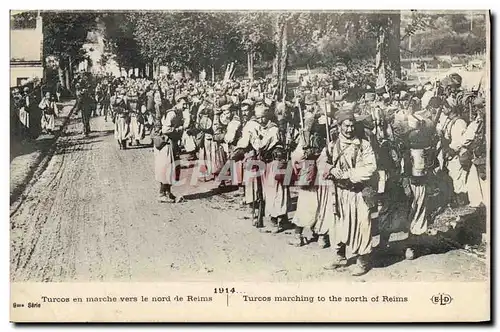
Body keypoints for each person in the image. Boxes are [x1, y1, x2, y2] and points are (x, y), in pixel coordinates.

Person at [319, 111, 377, 276]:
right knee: (338, 224)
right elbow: (321, 161)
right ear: (339, 126)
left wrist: (348, 174)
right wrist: (331, 168)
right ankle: (340, 256)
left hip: (358, 192)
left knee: (362, 225)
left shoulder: (363, 144)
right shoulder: (332, 145)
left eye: (352, 126)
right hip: (339, 193)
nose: (350, 129)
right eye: (346, 126)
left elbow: (370, 167)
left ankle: (362, 260)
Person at [152, 103, 184, 203]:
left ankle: (168, 193)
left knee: (170, 168)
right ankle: (162, 194)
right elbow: (166, 129)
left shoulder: (172, 113)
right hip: (166, 145)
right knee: (167, 168)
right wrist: (178, 129)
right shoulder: (172, 114)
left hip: (167, 144)